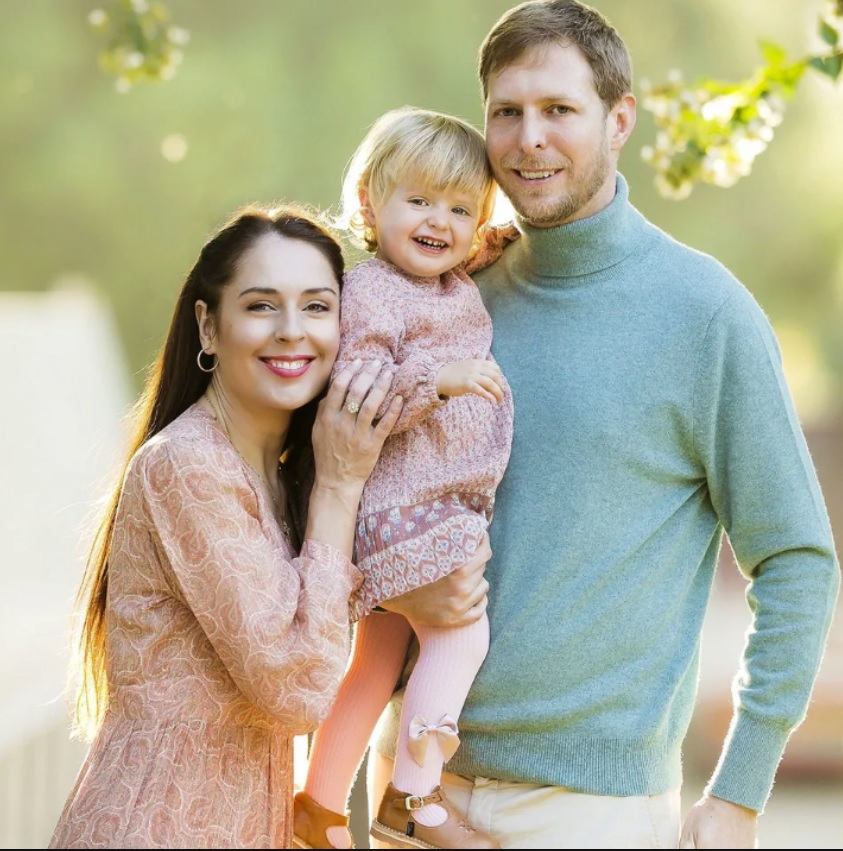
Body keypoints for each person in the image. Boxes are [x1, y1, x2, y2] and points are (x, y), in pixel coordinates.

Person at [366, 2, 841, 849]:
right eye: (506, 112)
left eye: (558, 109)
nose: (528, 138)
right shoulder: (449, 294)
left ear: (619, 120)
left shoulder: (703, 315)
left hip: (589, 810)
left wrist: (738, 791)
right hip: (413, 789)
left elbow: (796, 560)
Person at [48, 204, 403, 849]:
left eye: (317, 307)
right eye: (261, 306)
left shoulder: (283, 477)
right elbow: (298, 688)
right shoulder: (187, 467)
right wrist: (340, 486)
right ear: (209, 327)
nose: (292, 331)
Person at [292, 107, 516, 850]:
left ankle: (318, 805)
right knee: (460, 632)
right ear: (369, 204)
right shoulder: (371, 292)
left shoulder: (445, 282)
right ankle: (412, 796)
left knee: (376, 661)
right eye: (418, 201)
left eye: (459, 210)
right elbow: (357, 387)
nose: (438, 222)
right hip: (407, 503)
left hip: (411, 502)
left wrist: (498, 242)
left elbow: (456, 262)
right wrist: (437, 379)